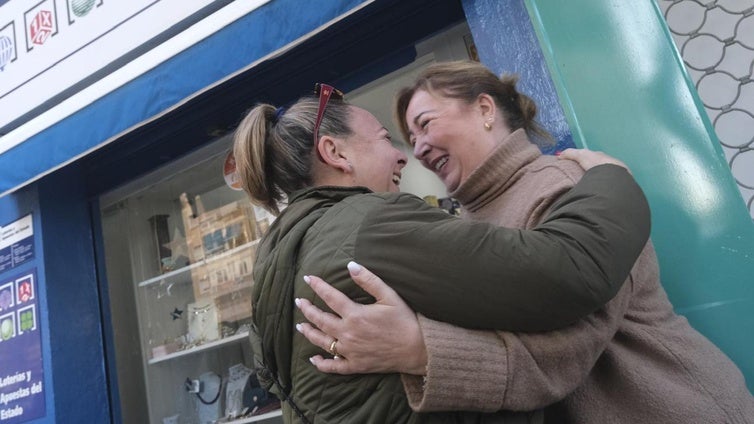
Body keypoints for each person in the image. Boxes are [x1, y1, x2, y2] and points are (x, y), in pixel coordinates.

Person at [295, 61, 754, 423]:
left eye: (426, 123)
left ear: (485, 109)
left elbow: (572, 344)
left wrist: (421, 350)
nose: (416, 148)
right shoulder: (461, 221)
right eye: (409, 137)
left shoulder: (567, 183)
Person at [233, 82, 652, 423]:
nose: (405, 153)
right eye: (387, 137)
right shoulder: (368, 223)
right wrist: (612, 179)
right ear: (335, 152)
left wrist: (421, 347)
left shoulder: (280, 250)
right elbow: (569, 271)